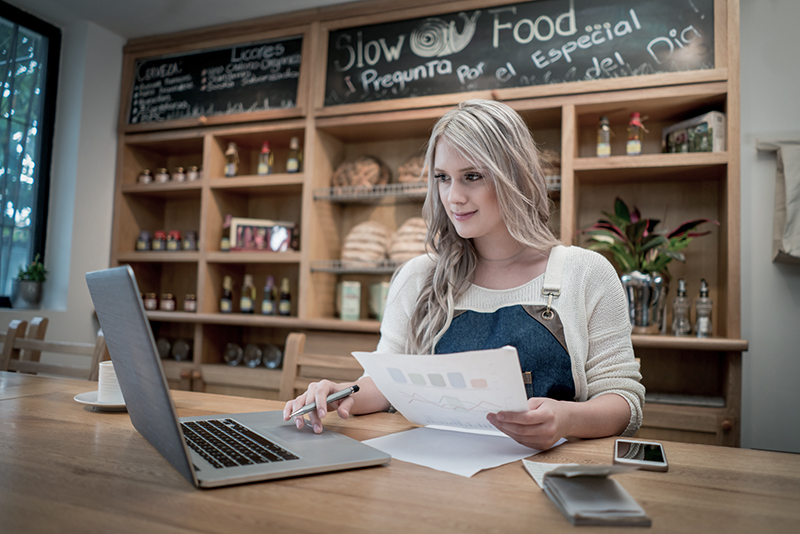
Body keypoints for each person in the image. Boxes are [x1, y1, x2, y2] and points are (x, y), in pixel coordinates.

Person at [284, 99, 644, 450]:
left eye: (471, 176)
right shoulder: (417, 277)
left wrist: (566, 419)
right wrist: (341, 392)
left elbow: (623, 398)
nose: (453, 196)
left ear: (515, 176)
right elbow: (386, 383)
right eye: (443, 178)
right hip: (435, 477)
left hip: (545, 478)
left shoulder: (585, 273)